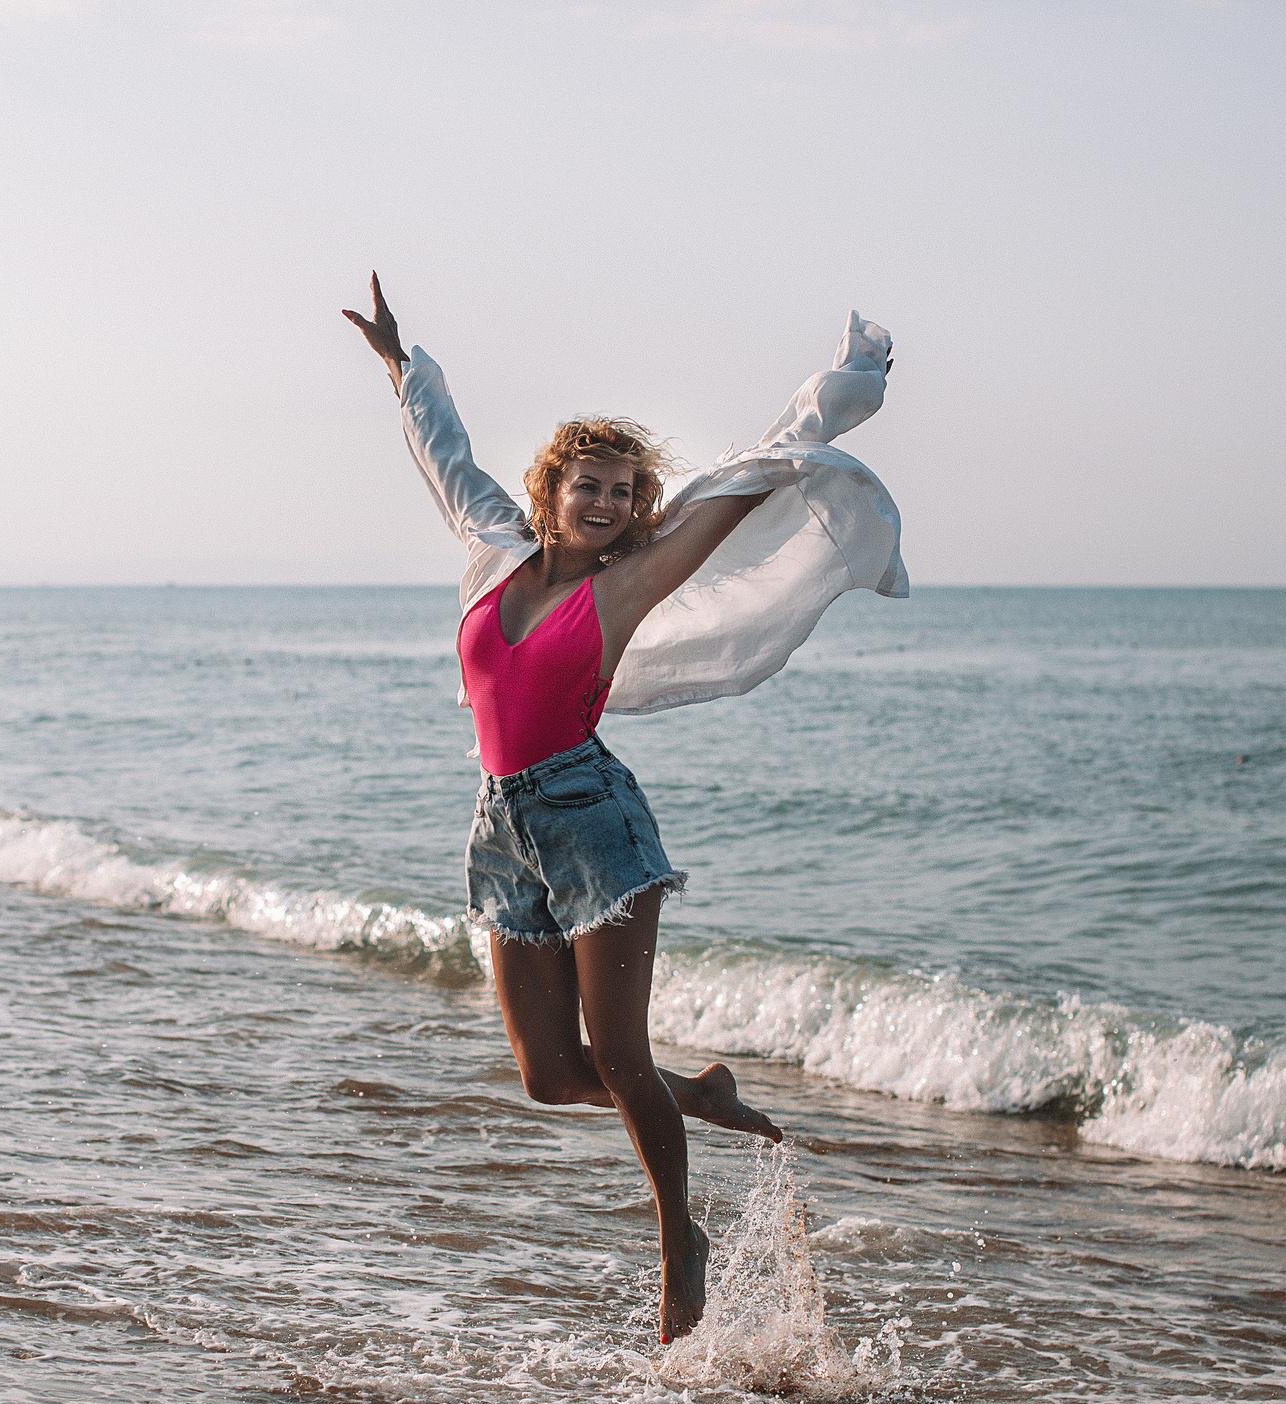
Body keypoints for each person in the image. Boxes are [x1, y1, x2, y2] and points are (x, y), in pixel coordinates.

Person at [342, 274, 904, 1342]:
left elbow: (742, 484)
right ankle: (702, 1092)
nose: (602, 504)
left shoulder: (626, 585)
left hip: (595, 820)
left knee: (619, 1056)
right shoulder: (495, 554)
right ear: (550, 489)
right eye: (586, 486)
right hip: (504, 829)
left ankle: (678, 1244)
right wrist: (403, 369)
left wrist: (835, 394)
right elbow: (447, 461)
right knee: (552, 1077)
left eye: (620, 493)